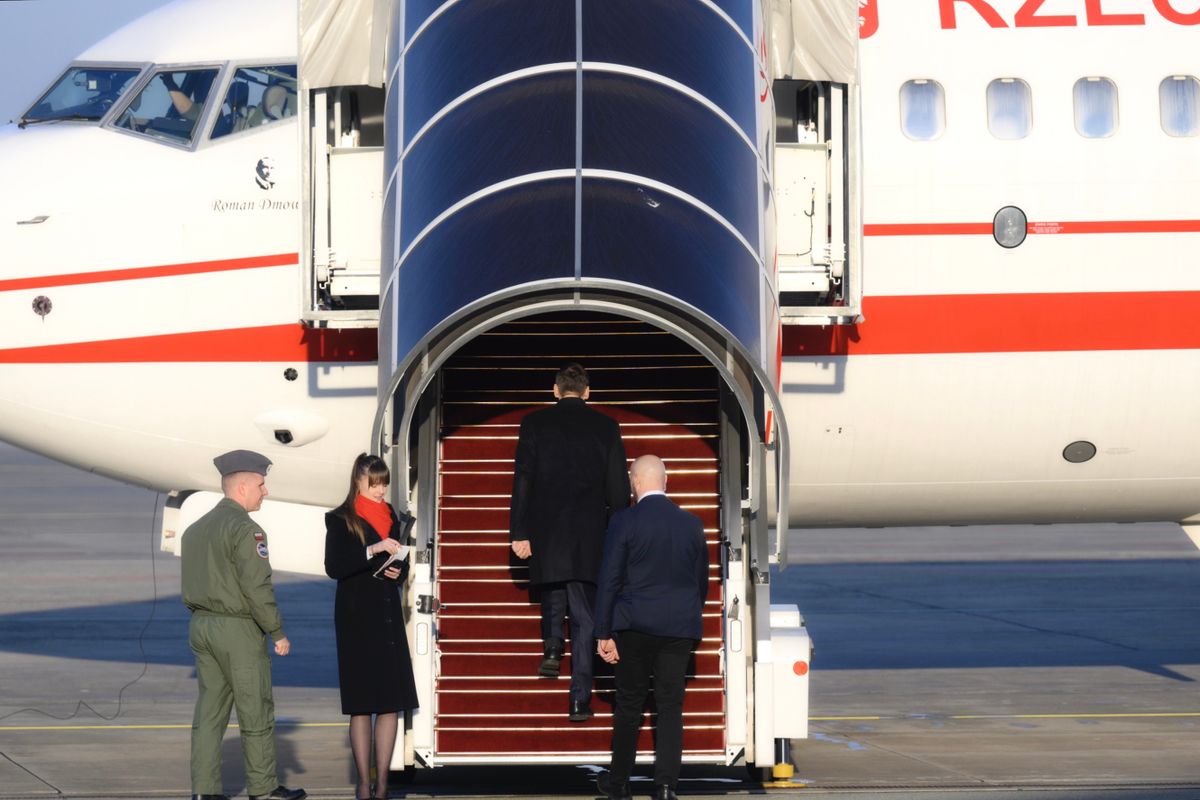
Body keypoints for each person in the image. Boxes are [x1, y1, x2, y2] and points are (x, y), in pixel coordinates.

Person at [180, 449, 305, 800]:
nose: (265, 492)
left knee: (209, 713)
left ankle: (205, 791)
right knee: (256, 710)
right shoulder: (246, 530)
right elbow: (257, 588)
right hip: (237, 630)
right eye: (261, 485)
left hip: (201, 627)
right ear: (243, 488)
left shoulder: (194, 530)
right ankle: (263, 790)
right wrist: (276, 631)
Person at [509, 362, 628, 721]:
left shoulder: (534, 424)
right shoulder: (607, 427)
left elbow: (523, 480)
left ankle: (551, 645)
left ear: (555, 390)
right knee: (584, 615)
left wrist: (519, 531)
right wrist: (617, 533)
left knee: (553, 584)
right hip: (590, 533)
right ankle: (579, 698)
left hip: (547, 529)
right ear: (587, 392)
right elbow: (618, 490)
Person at [593, 455, 709, 800]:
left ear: (635, 482)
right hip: (678, 629)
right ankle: (666, 786)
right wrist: (686, 617)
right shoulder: (692, 524)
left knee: (629, 705)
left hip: (635, 626)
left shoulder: (624, 522)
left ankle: (619, 784)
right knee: (671, 707)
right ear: (665, 481)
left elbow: (610, 579)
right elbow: (700, 582)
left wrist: (603, 631)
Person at [324, 453, 419, 800]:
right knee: (362, 704)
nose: (380, 491)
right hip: (356, 617)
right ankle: (364, 784)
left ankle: (382, 786)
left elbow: (400, 562)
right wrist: (373, 549)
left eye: (383, 483)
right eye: (373, 484)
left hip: (386, 613)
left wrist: (399, 570)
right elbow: (334, 566)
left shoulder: (391, 515)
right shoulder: (339, 519)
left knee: (391, 703)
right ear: (358, 482)